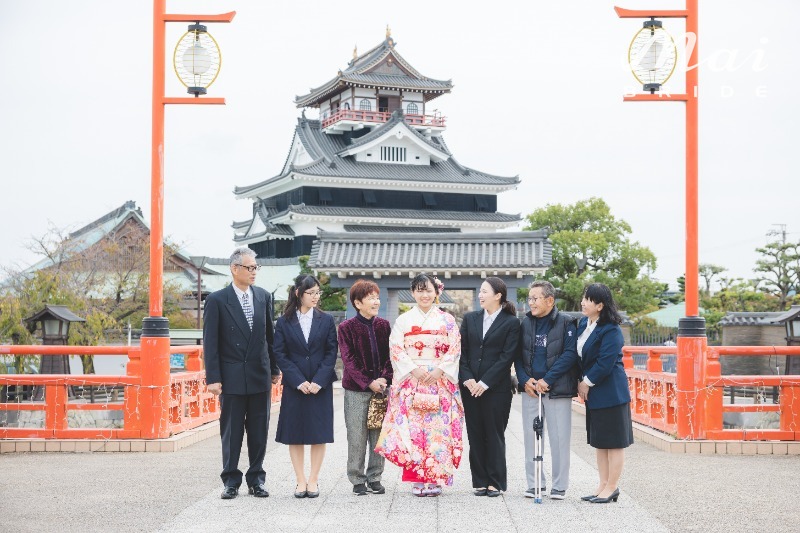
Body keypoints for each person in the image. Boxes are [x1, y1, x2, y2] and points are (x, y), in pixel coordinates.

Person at [203, 247, 281, 500]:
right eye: (249, 267)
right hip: (231, 376)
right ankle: (231, 480)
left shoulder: (263, 296)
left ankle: (257, 479)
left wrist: (275, 368)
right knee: (232, 432)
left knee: (259, 431)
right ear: (234, 269)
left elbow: (270, 337)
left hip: (259, 373)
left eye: (256, 267)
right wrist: (213, 378)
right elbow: (210, 343)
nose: (253, 272)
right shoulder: (217, 300)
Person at [375, 273, 463, 497]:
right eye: (420, 290)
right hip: (412, 381)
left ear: (436, 292)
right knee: (413, 432)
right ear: (413, 292)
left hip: (439, 381)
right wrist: (413, 369)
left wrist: (440, 370)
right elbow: (396, 348)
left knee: (437, 432)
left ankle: (435, 478)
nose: (424, 294)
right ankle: (417, 478)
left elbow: (454, 348)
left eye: (428, 290)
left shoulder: (447, 320)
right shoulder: (403, 320)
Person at [273, 275, 338, 499]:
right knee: (295, 434)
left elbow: (331, 353)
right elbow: (280, 353)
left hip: (320, 384)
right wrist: (298, 381)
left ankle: (313, 480)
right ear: (298, 293)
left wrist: (319, 381)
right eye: (311, 293)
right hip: (295, 385)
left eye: (317, 293)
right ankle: (300, 480)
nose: (315, 297)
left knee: (319, 434)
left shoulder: (327, 320)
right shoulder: (283, 322)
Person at [514, 280, 579, 500]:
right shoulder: (525, 324)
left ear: (550, 300)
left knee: (559, 438)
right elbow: (518, 356)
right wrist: (524, 381)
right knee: (531, 436)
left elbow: (570, 355)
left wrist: (547, 380)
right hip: (531, 389)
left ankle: (559, 485)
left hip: (557, 388)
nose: (530, 303)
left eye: (535, 298)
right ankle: (534, 484)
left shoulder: (566, 323)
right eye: (529, 298)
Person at [459, 277, 520, 497]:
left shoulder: (512, 322)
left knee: (494, 434)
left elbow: (507, 357)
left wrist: (484, 383)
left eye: (485, 291)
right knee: (474, 434)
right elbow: (462, 352)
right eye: (480, 291)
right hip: (469, 387)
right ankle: (480, 481)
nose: (480, 295)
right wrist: (467, 379)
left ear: (498, 295)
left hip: (496, 389)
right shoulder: (470, 319)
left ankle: (495, 481)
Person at [576, 283, 634, 504]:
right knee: (600, 442)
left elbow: (605, 362)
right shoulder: (584, 324)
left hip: (611, 392)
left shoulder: (611, 329)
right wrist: (580, 382)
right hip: (594, 393)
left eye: (588, 299)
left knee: (614, 442)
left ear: (600, 305)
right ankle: (602, 485)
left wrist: (586, 383)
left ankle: (612, 487)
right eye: (584, 298)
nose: (583, 302)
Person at [338, 279, 393, 496]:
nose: (376, 301)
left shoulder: (384, 326)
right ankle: (357, 478)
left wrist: (384, 379)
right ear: (357, 303)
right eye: (371, 298)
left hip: (381, 390)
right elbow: (348, 360)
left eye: (377, 297)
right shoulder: (346, 328)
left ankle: (375, 476)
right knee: (357, 435)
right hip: (356, 391)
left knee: (378, 435)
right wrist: (368, 382)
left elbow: (391, 356)